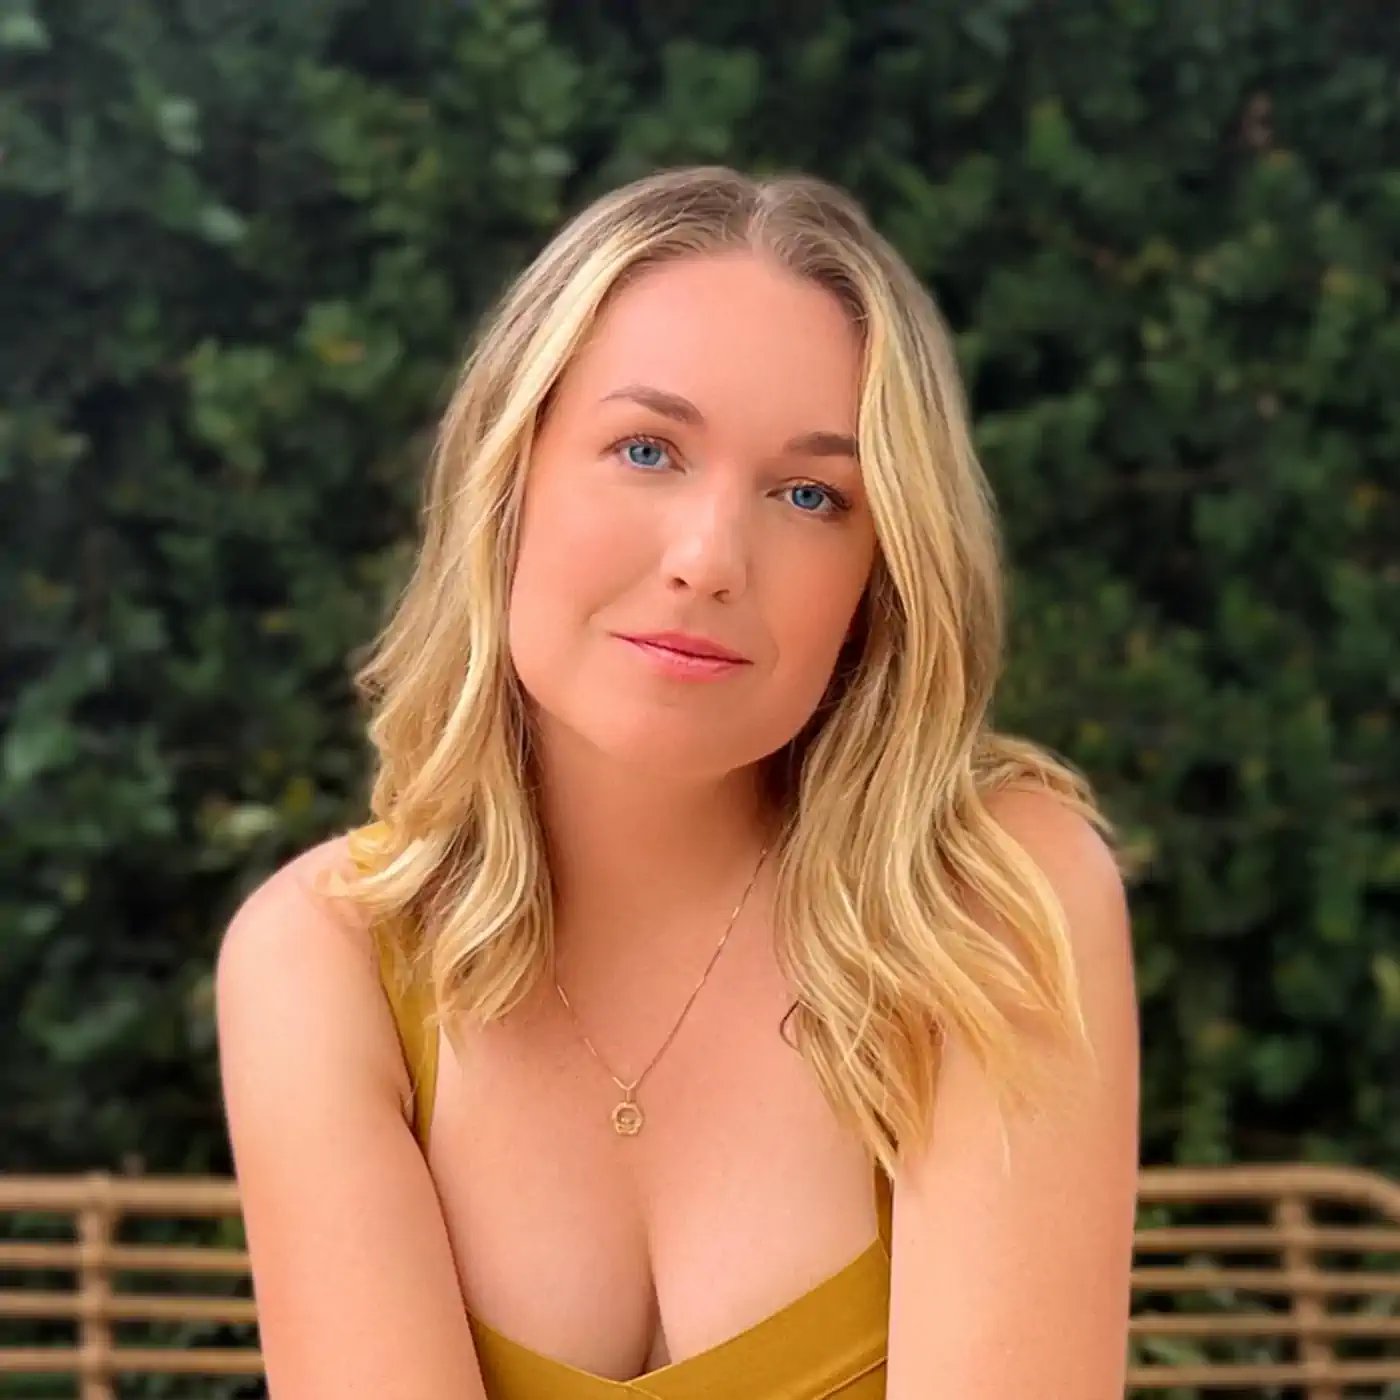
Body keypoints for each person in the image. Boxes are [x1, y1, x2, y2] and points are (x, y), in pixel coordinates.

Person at [215, 165, 1140, 1400]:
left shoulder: (989, 898)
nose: (708, 559)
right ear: (508, 479)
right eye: (645, 449)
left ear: (876, 575)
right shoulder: (323, 961)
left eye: (809, 494)